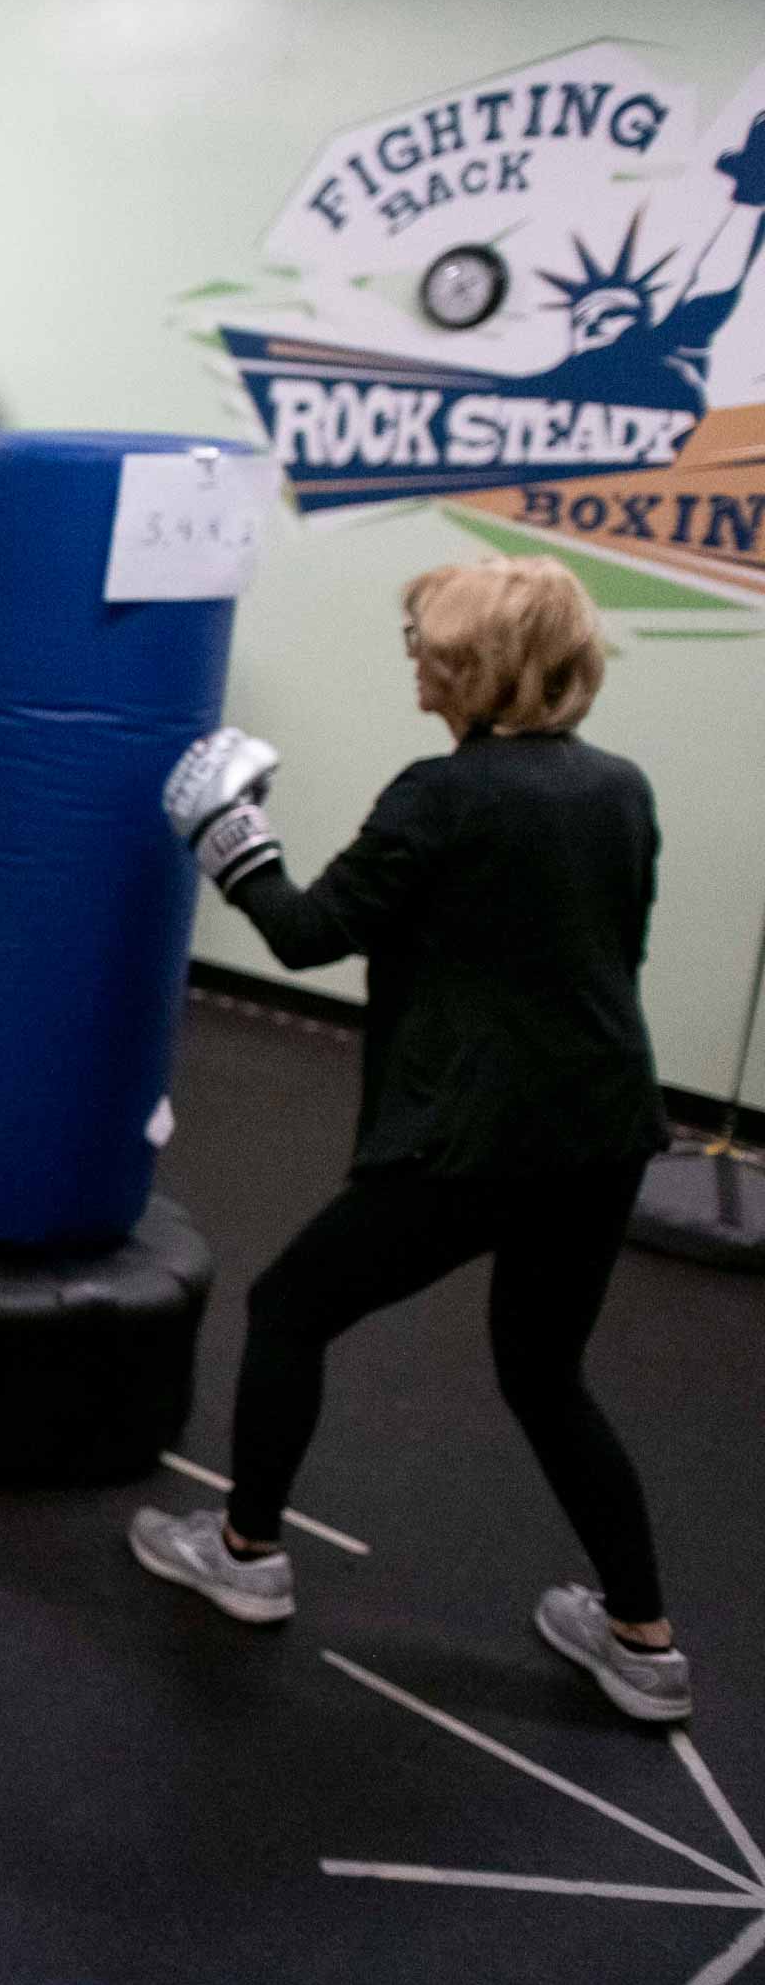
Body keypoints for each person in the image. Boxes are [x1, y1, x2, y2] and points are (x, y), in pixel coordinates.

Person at [132, 557, 688, 1723]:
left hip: (476, 1135)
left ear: (478, 668)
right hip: (606, 1124)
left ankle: (244, 1551)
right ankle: (643, 1641)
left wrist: (225, 831)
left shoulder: (442, 796)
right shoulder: (622, 787)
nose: (412, 657)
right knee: (546, 1371)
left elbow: (304, 934)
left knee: (290, 1307)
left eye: (428, 643)